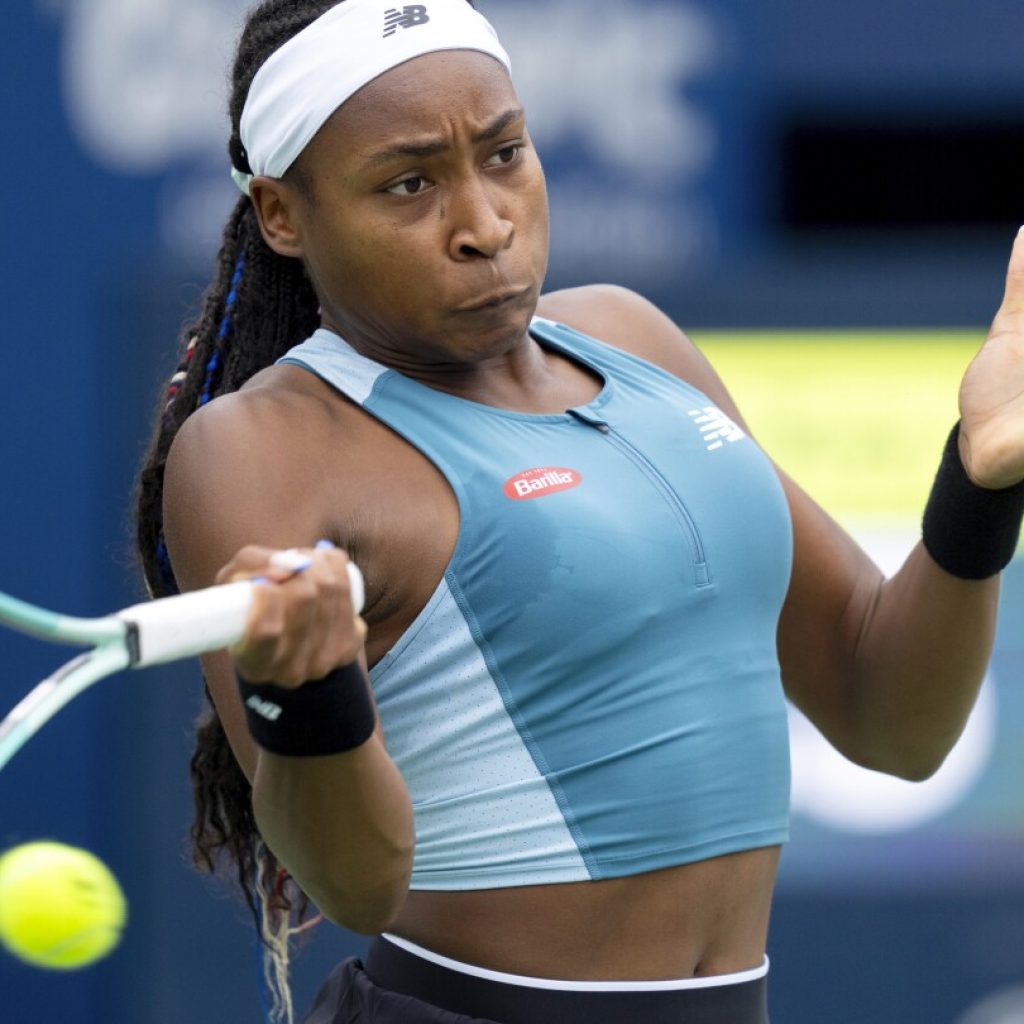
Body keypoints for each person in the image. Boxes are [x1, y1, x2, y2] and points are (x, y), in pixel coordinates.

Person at [134, 0, 1024, 1021]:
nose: (485, 223)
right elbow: (356, 884)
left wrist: (979, 476)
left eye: (504, 152)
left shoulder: (633, 336)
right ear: (284, 213)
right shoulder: (262, 445)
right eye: (409, 183)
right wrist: (308, 693)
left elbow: (889, 716)